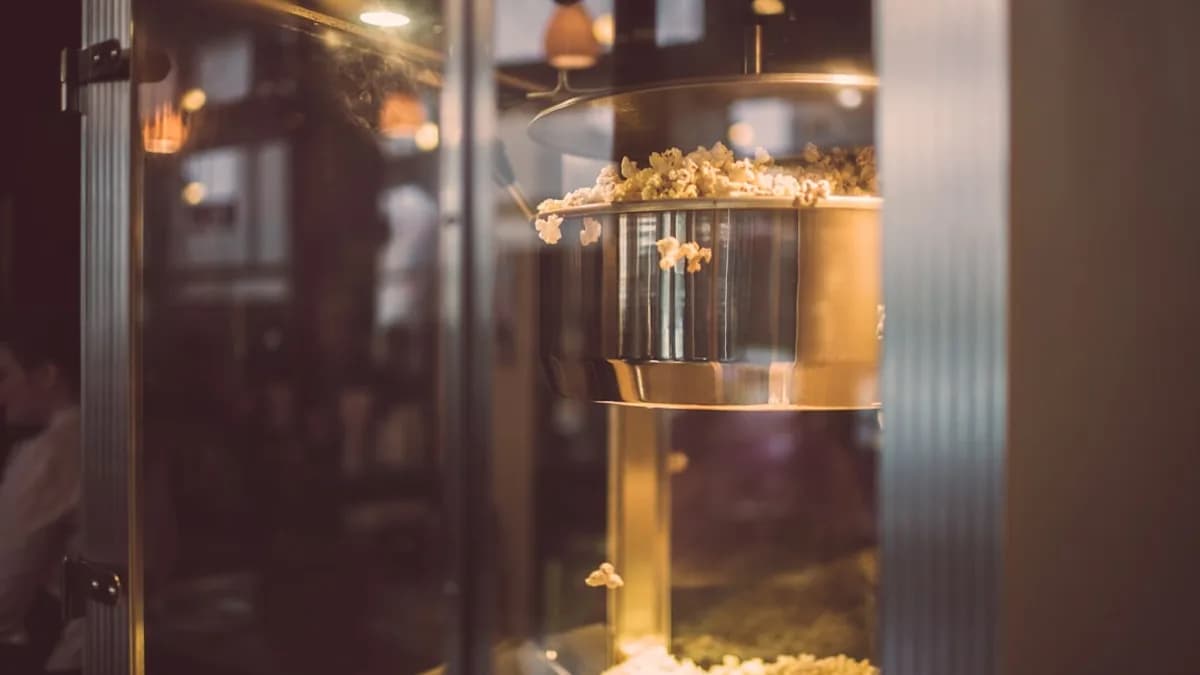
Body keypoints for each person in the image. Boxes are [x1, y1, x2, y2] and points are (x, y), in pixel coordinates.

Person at [0, 312, 82, 675]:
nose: (1, 393)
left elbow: (3, 595)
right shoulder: (129, 439)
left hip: (70, 657)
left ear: (47, 375)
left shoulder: (50, 454)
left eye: (4, 376)